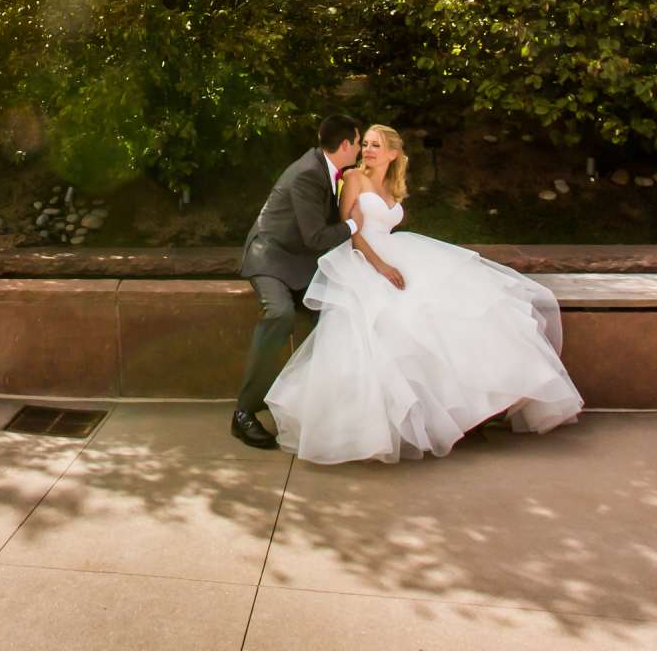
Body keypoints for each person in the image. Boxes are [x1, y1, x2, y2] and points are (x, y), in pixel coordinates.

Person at [265, 123, 582, 463]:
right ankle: (395, 425)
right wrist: (381, 267)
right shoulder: (354, 179)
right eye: (366, 144)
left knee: (462, 307)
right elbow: (352, 232)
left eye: (375, 145)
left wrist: (391, 261)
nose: (368, 150)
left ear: (393, 153)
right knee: (394, 325)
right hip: (364, 258)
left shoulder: (394, 184)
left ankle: (468, 411)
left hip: (397, 252)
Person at [230, 114, 365, 450]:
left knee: (339, 311)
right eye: (360, 143)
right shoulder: (308, 173)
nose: (361, 149)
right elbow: (317, 236)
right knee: (280, 315)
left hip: (299, 260)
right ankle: (244, 412)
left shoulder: (331, 171)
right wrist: (353, 227)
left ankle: (320, 406)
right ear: (346, 144)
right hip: (270, 257)